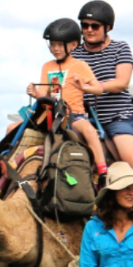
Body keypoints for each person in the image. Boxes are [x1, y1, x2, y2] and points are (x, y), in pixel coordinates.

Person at [67, 0, 133, 183]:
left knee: (132, 160)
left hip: (116, 116)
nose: (89, 30)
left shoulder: (120, 48)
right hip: (82, 119)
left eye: (95, 26)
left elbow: (122, 82)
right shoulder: (74, 53)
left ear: (107, 27)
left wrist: (94, 88)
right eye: (85, 25)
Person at [27, 18, 109, 178]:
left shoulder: (80, 65)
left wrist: (83, 87)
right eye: (52, 44)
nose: (55, 48)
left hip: (74, 115)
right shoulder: (47, 66)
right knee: (13, 129)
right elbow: (43, 93)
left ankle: (102, 170)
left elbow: (98, 89)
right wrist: (35, 93)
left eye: (59, 44)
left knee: (90, 131)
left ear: (73, 45)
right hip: (49, 115)